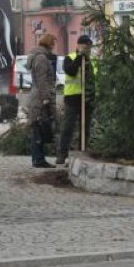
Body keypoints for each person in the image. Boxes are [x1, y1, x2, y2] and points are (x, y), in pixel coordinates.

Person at [56, 34, 97, 166]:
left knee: (85, 128)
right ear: (78, 46)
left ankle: (82, 153)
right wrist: (80, 56)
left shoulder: (93, 60)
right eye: (85, 47)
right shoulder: (70, 58)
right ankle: (62, 154)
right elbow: (71, 71)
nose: (88, 50)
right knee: (68, 127)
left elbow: (96, 79)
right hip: (73, 97)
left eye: (89, 48)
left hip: (88, 98)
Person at [26, 32, 57, 168]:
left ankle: (37, 158)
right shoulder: (41, 58)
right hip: (40, 99)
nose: (54, 47)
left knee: (37, 129)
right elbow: (42, 81)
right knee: (39, 128)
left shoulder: (38, 56)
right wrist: (46, 99)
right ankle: (38, 159)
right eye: (53, 44)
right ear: (49, 44)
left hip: (37, 96)